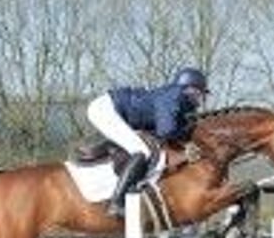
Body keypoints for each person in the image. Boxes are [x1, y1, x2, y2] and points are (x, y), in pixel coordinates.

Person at [87, 67, 209, 217]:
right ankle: (116, 203)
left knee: (142, 147)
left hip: (113, 109)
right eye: (201, 93)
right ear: (191, 90)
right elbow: (166, 131)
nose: (202, 99)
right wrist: (186, 135)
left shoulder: (177, 99)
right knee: (142, 151)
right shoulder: (173, 97)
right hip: (105, 110)